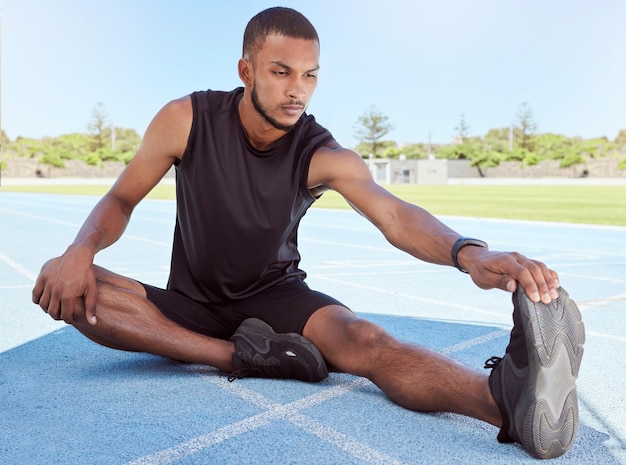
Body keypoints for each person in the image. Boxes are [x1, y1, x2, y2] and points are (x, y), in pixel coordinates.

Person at [32, 7, 584, 459]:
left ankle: (505, 402)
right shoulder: (187, 119)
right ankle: (240, 357)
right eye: (281, 72)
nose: (298, 90)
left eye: (310, 74)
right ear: (246, 71)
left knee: (367, 340)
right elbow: (121, 197)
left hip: (278, 296)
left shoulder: (321, 152)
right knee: (66, 287)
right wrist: (79, 250)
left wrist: (469, 253)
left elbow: (392, 214)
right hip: (190, 302)